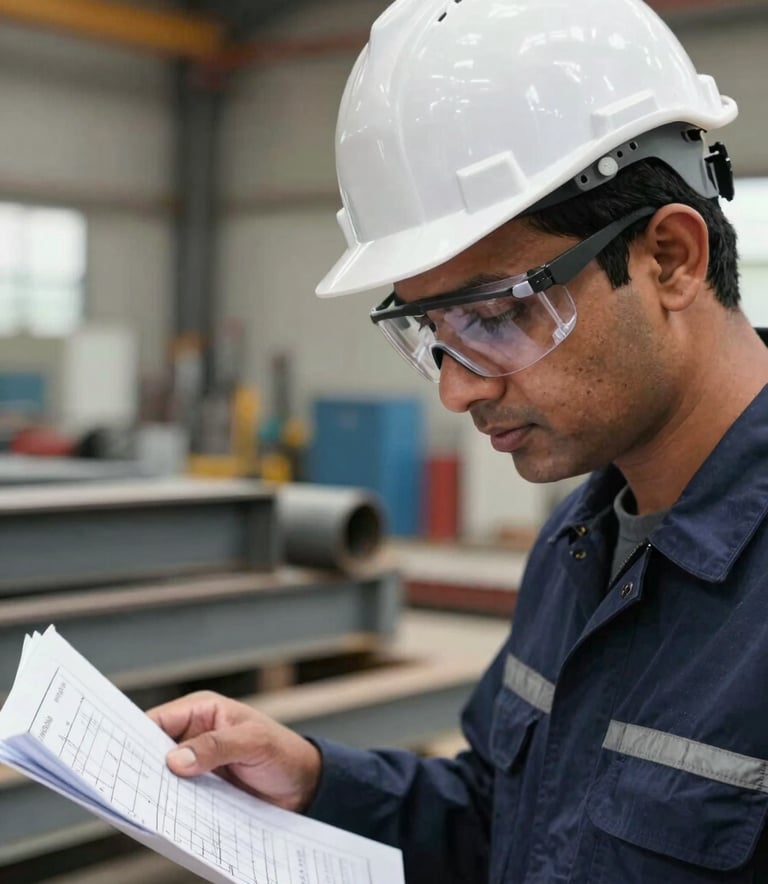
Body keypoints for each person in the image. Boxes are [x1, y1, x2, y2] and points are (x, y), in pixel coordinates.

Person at [149, 0, 768, 880]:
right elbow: (509, 818)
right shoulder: (578, 543)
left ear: (669, 258)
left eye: (500, 314)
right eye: (434, 331)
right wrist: (318, 782)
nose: (457, 385)